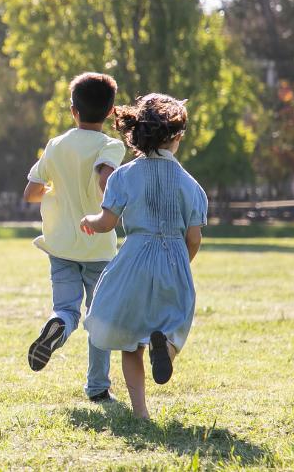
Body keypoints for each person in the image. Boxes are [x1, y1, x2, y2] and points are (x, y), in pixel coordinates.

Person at [81, 94, 207, 419]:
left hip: (134, 259)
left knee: (129, 340)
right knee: (175, 323)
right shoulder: (191, 186)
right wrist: (181, 262)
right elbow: (194, 237)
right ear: (176, 136)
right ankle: (165, 348)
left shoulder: (123, 176)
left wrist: (89, 221)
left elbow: (107, 223)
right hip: (174, 259)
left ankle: (141, 413)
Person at [22, 72, 125, 403]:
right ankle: (97, 387)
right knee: (99, 317)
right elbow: (105, 177)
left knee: (66, 308)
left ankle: (57, 326)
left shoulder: (56, 144)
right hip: (98, 245)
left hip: (60, 244)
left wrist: (58, 190)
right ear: (111, 112)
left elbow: (31, 192)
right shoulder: (111, 145)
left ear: (73, 110)